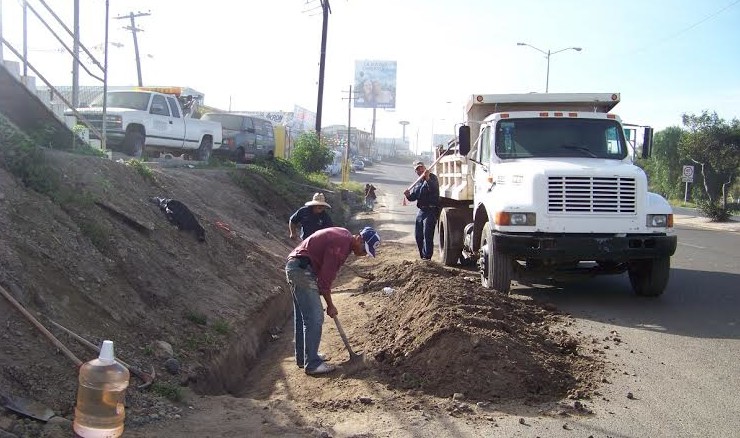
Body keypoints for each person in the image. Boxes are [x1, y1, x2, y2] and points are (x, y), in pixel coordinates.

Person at [285, 226, 381, 375]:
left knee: (304, 317)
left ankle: (304, 357)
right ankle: (312, 364)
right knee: (315, 318)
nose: (363, 255)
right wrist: (330, 305)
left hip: (297, 266)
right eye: (364, 250)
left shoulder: (344, 236)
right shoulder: (340, 246)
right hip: (301, 270)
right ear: (360, 238)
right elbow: (324, 282)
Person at [403, 161, 440, 260]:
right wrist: (408, 195)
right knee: (418, 236)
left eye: (421, 168)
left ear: (424, 167)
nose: (419, 170)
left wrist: (427, 178)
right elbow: (414, 197)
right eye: (417, 169)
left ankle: (427, 258)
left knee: (427, 235)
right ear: (416, 171)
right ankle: (422, 257)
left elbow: (434, 189)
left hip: (431, 210)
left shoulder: (432, 177)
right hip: (421, 211)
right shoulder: (418, 182)